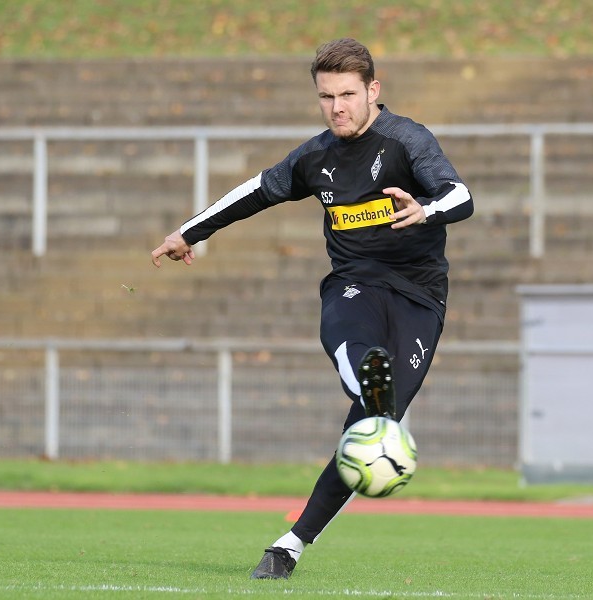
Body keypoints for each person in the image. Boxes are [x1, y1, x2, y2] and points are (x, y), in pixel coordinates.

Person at [151, 38, 474, 579]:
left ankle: (289, 546)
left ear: (373, 90)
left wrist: (425, 211)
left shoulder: (407, 140)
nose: (337, 107)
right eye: (326, 96)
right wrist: (189, 232)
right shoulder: (316, 156)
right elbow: (254, 192)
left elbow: (460, 196)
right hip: (354, 284)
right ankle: (369, 382)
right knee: (364, 362)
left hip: (421, 296)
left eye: (348, 94)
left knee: (372, 427)